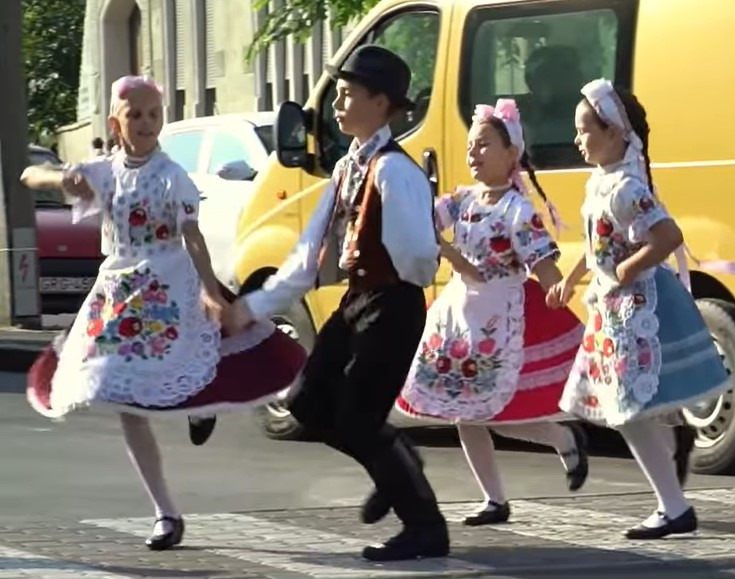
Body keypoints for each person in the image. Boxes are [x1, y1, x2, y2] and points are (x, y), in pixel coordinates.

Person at [20, 75, 305, 551]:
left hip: (169, 283)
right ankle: (166, 512)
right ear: (116, 123)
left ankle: (199, 411)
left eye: (154, 114)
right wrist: (62, 177)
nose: (146, 122)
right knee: (121, 395)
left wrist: (211, 291)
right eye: (136, 115)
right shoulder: (106, 172)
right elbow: (31, 176)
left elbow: (191, 235)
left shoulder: (172, 175)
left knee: (186, 369)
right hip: (118, 289)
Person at [222, 45, 448, 561]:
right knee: (307, 404)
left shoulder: (395, 172)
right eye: (339, 94)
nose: (338, 104)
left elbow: (418, 256)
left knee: (358, 420)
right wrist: (252, 306)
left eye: (348, 95)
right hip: (358, 302)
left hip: (392, 306)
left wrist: (386, 275)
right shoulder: (349, 167)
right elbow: (305, 258)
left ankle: (425, 527)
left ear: (381, 102)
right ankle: (399, 462)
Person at [546, 79, 730, 539]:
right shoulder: (602, 183)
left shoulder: (629, 187)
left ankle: (674, 507)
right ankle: (673, 487)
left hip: (638, 309)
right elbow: (597, 248)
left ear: (614, 133)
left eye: (585, 129)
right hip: (614, 310)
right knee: (630, 410)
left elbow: (668, 237)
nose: (577, 139)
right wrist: (571, 279)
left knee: (627, 411)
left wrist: (629, 267)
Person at [395, 98, 590, 526]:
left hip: (501, 315)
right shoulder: (461, 200)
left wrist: (560, 289)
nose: (473, 153)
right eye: (470, 145)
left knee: (492, 413)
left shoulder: (518, 211)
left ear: (511, 154)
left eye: (484, 145)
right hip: (459, 313)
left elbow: (543, 266)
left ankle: (561, 437)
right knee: (464, 413)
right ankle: (494, 499)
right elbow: (419, 222)